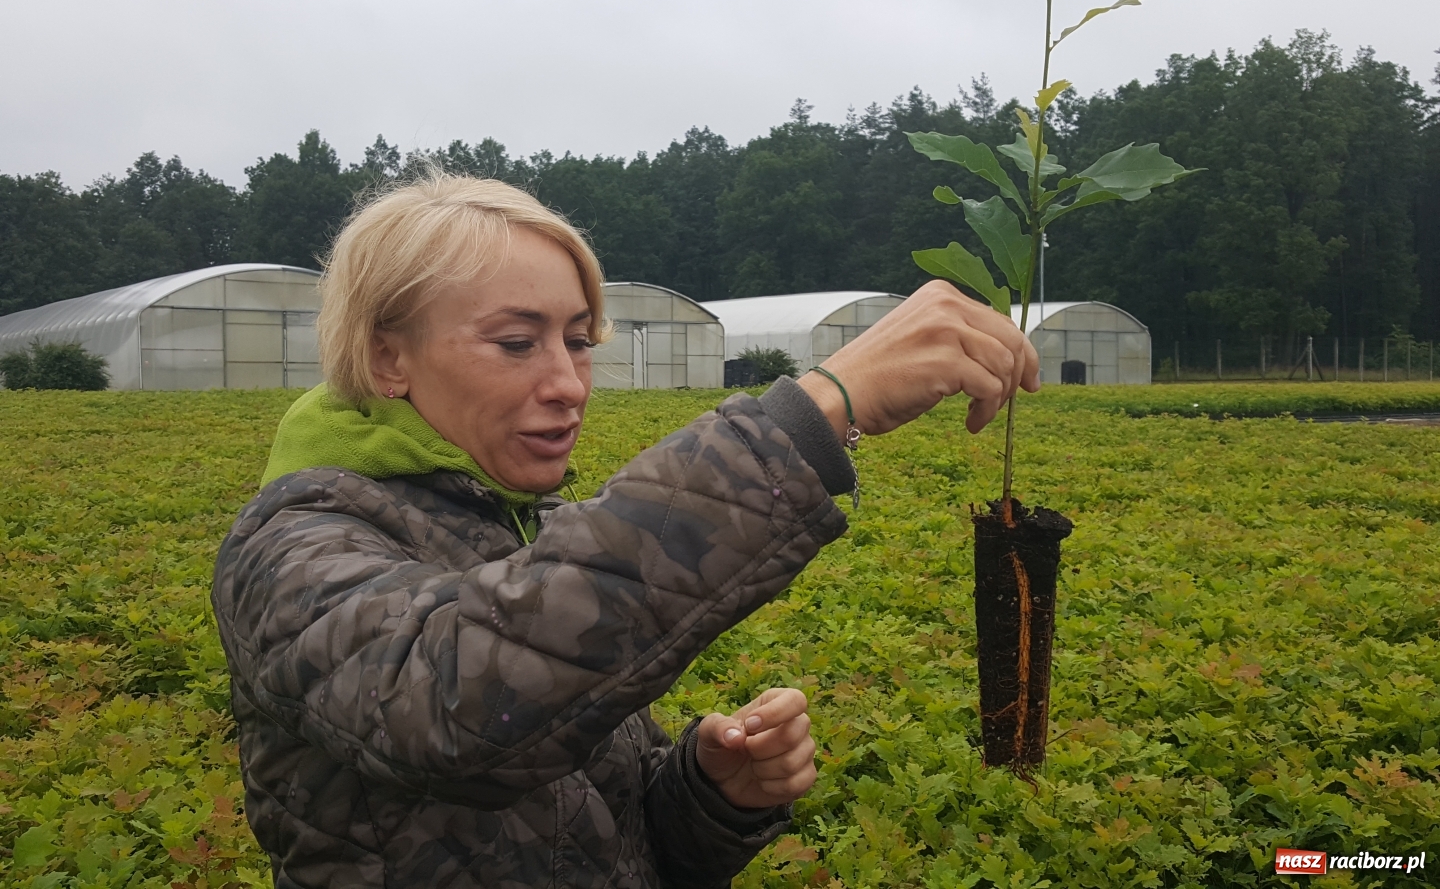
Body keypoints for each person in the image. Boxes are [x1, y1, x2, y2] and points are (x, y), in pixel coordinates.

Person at [211, 172, 1038, 889]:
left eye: (578, 342)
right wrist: (813, 416)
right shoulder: (291, 546)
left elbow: (609, 844)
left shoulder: (524, 530)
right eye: (515, 342)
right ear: (388, 359)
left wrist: (708, 792)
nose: (569, 383)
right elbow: (457, 710)